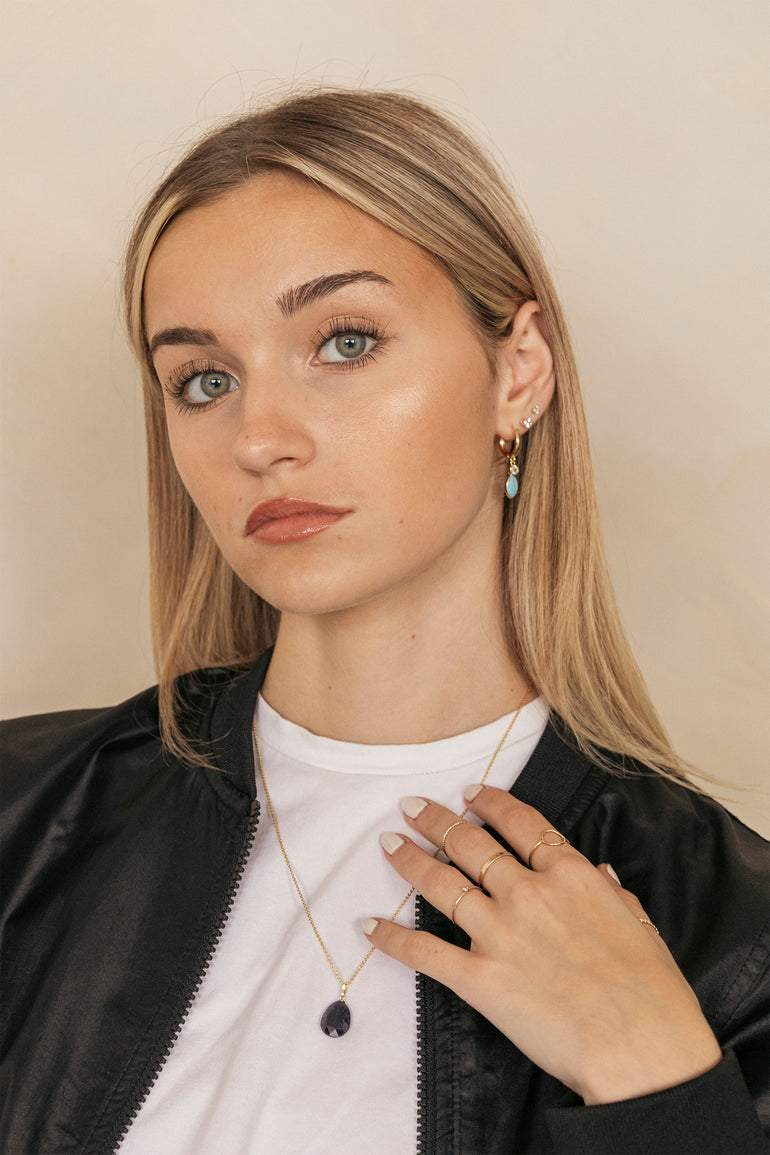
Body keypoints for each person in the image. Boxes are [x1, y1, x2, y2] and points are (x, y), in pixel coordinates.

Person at [2, 88, 767, 1155]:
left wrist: (659, 1090)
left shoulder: (726, 938)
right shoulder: (25, 819)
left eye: (345, 341)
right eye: (203, 379)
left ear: (518, 370)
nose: (260, 437)